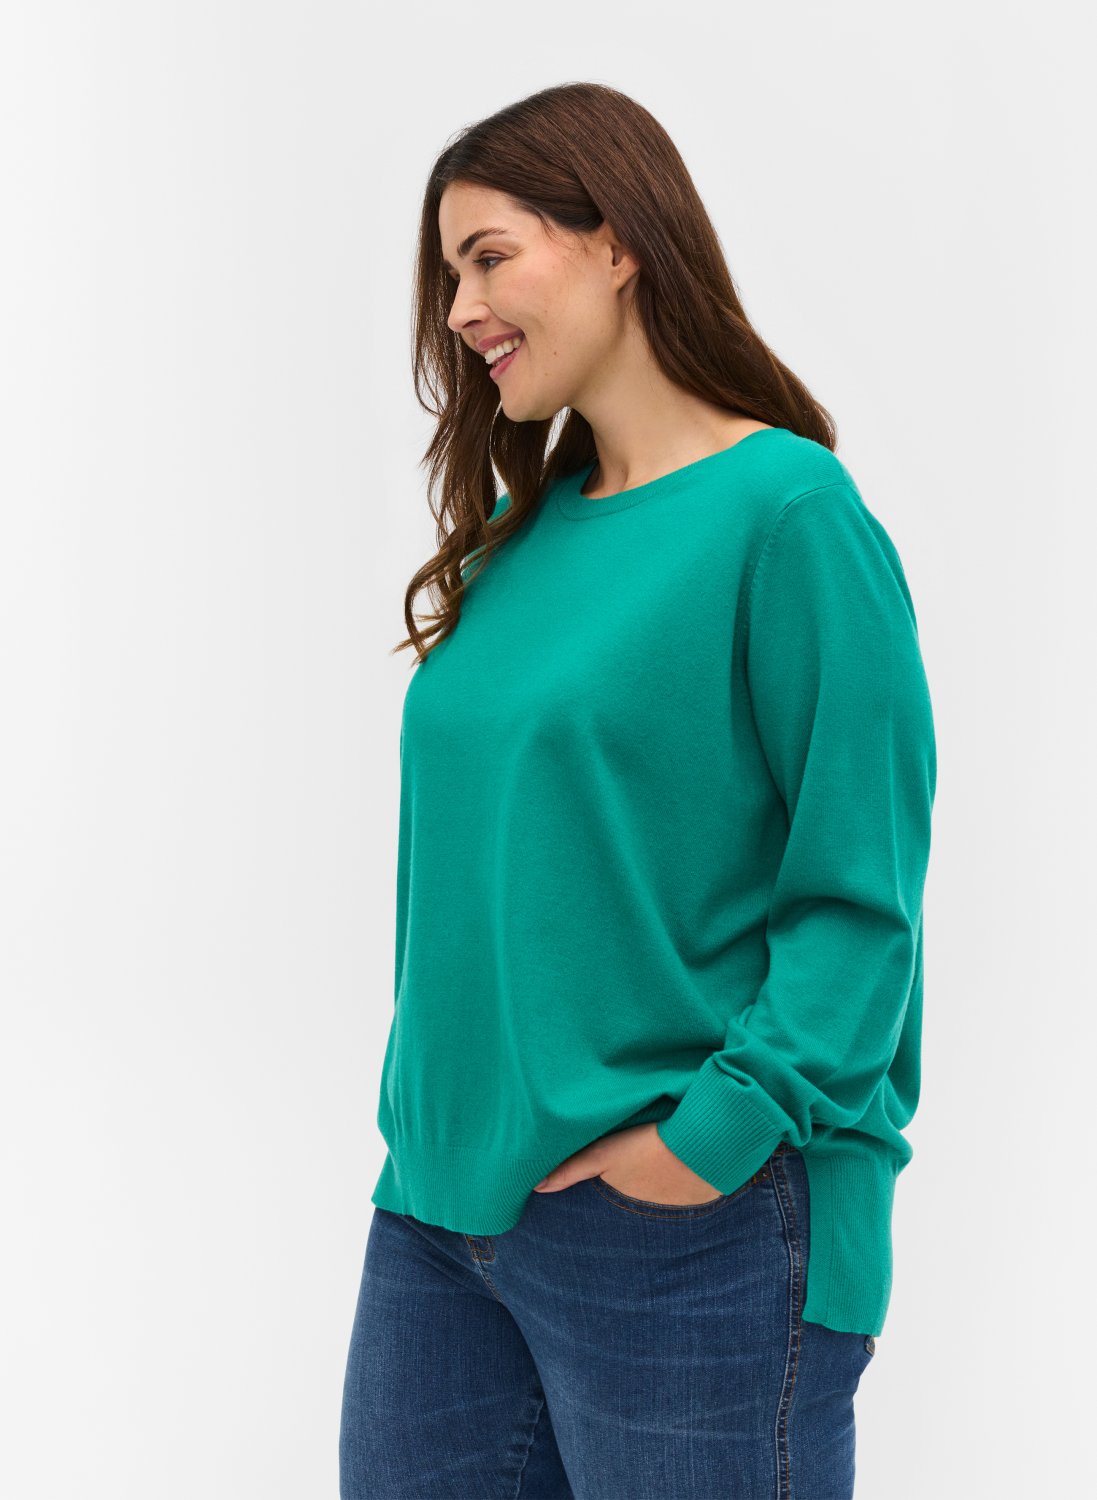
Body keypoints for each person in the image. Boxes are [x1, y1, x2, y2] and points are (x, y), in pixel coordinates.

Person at [339, 81, 936, 1500]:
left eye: (490, 257)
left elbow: (861, 894)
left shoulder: (788, 516)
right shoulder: (521, 529)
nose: (461, 310)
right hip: (438, 1214)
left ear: (616, 240)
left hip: (688, 1231)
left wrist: (709, 1139)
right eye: (448, 276)